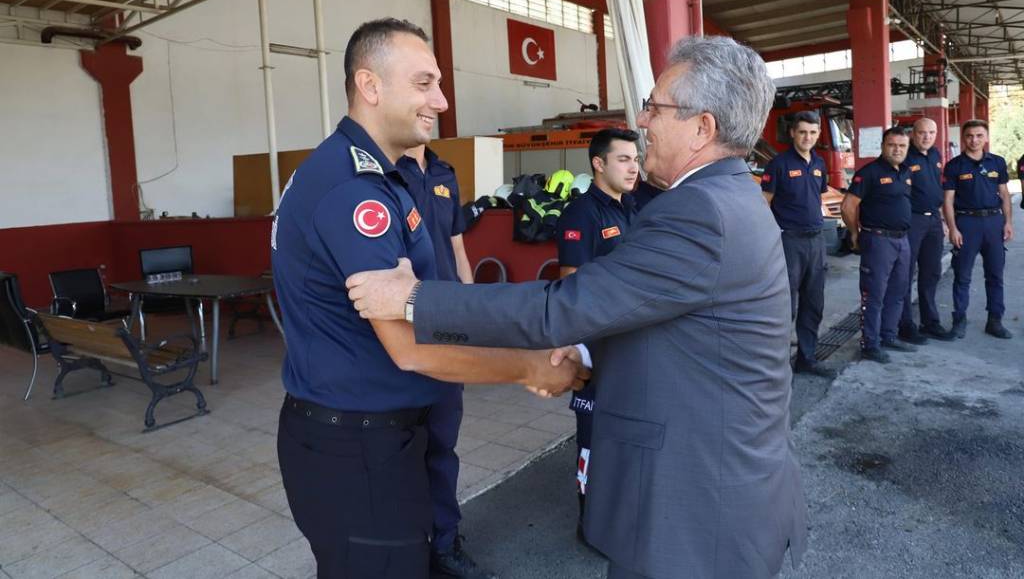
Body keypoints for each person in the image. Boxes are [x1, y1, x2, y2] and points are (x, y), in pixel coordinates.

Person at [347, 35, 808, 579]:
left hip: (697, 514)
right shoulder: (727, 198)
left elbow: (561, 308)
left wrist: (414, 298)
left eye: (656, 108)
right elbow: (665, 324)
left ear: (702, 128)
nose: (643, 119)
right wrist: (584, 357)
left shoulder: (701, 211)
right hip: (715, 494)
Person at [271, 18, 586, 579]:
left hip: (377, 437)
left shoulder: (378, 176)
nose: (440, 100)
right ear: (370, 86)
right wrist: (530, 367)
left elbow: (434, 291)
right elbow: (411, 348)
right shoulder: (354, 189)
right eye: (424, 83)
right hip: (356, 448)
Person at [396, 146, 492, 579]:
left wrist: (470, 313)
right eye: (422, 85)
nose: (436, 102)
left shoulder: (443, 173)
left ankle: (446, 543)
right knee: (400, 449)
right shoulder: (382, 170)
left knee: (442, 444)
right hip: (401, 325)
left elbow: (457, 247)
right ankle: (408, 548)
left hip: (447, 326)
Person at [554, 127, 640, 543]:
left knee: (625, 433)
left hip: (631, 343)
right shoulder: (581, 214)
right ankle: (590, 524)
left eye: (635, 159)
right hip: (596, 344)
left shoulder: (633, 208)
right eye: (623, 159)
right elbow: (570, 284)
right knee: (592, 439)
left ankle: (620, 515)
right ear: (598, 164)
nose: (633, 166)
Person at [760, 111, 832, 377]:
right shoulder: (778, 164)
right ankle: (776, 367)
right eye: (802, 132)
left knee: (813, 304)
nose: (808, 137)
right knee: (784, 306)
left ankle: (807, 358)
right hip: (788, 242)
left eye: (813, 132)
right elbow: (764, 203)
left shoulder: (819, 164)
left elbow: (818, 198)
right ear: (792, 133)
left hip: (816, 242)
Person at [840, 127, 917, 364]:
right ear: (883, 146)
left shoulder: (905, 172)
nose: (897, 149)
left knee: (898, 291)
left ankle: (889, 335)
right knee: (874, 294)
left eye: (902, 146)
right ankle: (870, 344)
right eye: (892, 145)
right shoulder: (869, 173)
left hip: (902, 240)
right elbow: (848, 206)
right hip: (878, 240)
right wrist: (855, 233)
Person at [942, 119, 1014, 339]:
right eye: (969, 136)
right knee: (962, 276)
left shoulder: (997, 163)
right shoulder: (954, 166)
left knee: (995, 275)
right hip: (967, 224)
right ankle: (959, 321)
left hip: (993, 223)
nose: (974, 140)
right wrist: (952, 228)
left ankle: (995, 321)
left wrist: (1008, 222)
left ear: (986, 137)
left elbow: (1004, 194)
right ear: (963, 138)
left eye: (979, 135)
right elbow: (948, 200)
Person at [898, 118, 955, 342]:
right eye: (922, 133)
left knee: (931, 273)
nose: (927, 137)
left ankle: (930, 322)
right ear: (913, 134)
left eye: (932, 132)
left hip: (933, 221)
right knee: (905, 274)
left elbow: (936, 187)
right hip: (912, 221)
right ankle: (905, 324)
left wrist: (942, 219)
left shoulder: (935, 154)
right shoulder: (904, 155)